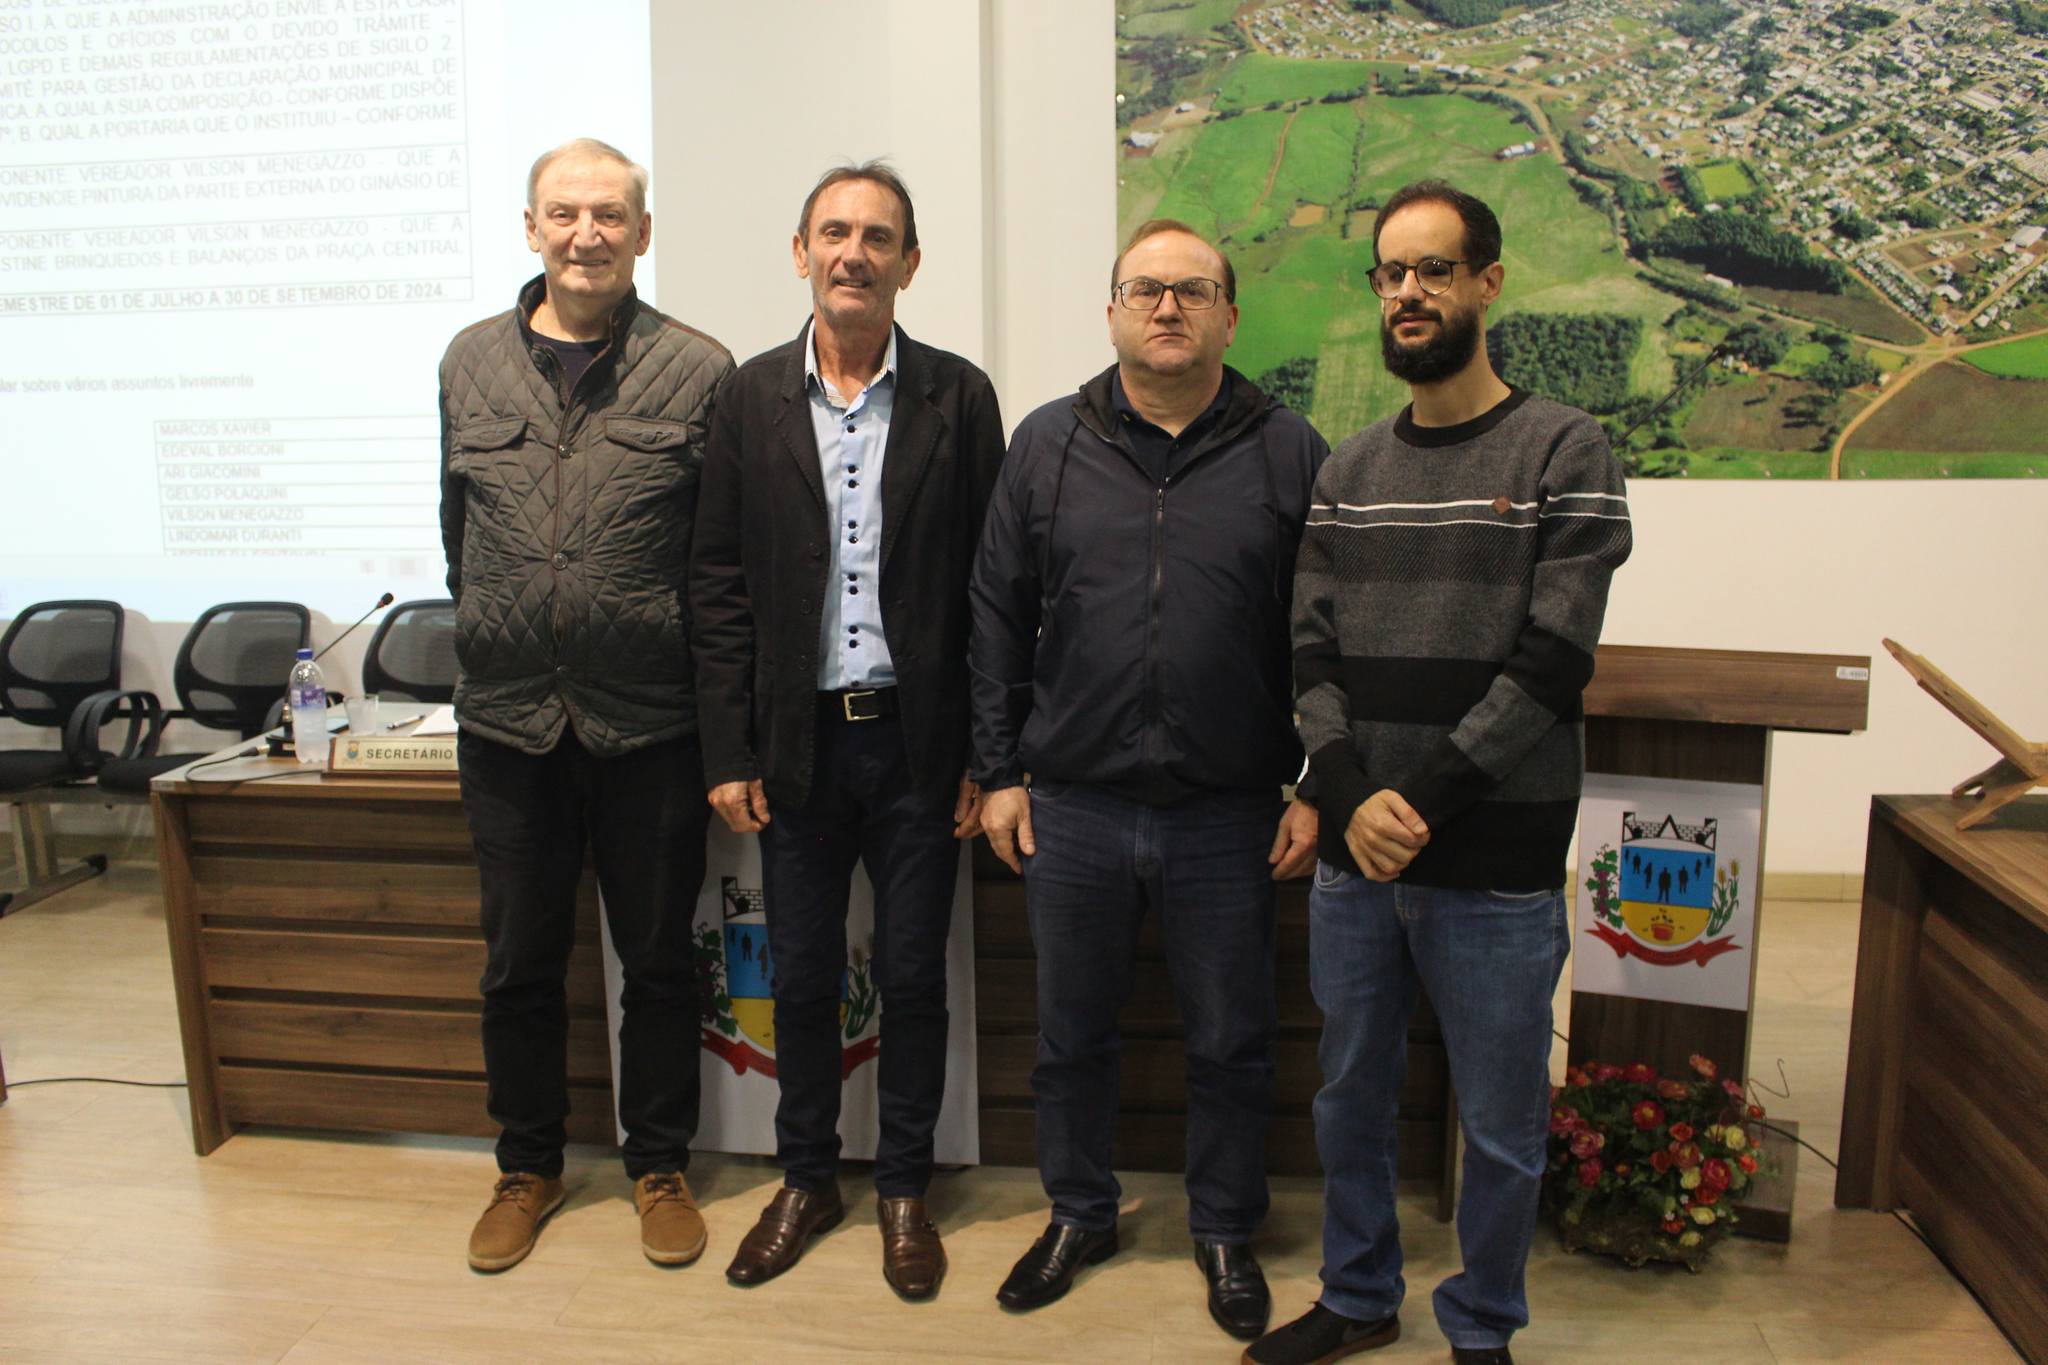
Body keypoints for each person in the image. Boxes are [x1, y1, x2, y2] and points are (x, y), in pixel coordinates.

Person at [1248, 180, 1633, 1365]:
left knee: (1503, 1123)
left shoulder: (1563, 447)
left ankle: (1480, 1325)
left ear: (1486, 284)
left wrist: (1413, 803)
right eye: (1389, 273)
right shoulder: (1347, 468)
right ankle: (1358, 1295)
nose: (1406, 292)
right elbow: (1308, 653)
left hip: (1493, 858)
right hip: (1356, 859)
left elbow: (1552, 660)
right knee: (1348, 1100)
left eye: (1432, 270)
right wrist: (1347, 792)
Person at [969, 219, 1326, 1341]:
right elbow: (995, 615)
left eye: (1192, 290)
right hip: (1072, 804)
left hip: (1230, 811)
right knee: (1071, 1036)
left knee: (1231, 1042)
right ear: (1113, 309)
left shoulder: (1288, 451)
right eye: (1145, 289)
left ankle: (1223, 1229)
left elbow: (1326, 634)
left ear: (1229, 315)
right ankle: (1079, 1212)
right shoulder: (1048, 443)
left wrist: (1318, 781)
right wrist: (998, 771)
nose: (1167, 307)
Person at [691, 161, 1006, 1300]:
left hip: (919, 750)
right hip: (798, 750)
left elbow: (994, 589)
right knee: (804, 978)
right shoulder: (750, 399)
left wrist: (988, 754)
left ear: (908, 264)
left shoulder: (958, 397)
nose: (853, 253)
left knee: (914, 977)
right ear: (801, 252)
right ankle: (807, 1178)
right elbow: (716, 584)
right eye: (834, 232)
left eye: (877, 237)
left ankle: (904, 1188)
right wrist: (730, 749)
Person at [439, 138, 732, 1274]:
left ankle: (657, 1164)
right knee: (517, 965)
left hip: (648, 725)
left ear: (642, 234)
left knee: (656, 962)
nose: (586, 235)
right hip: (507, 726)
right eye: (564, 214)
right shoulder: (469, 362)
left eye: (609, 215)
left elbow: (714, 563)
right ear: (531, 228)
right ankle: (528, 1165)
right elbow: (461, 535)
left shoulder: (697, 370)